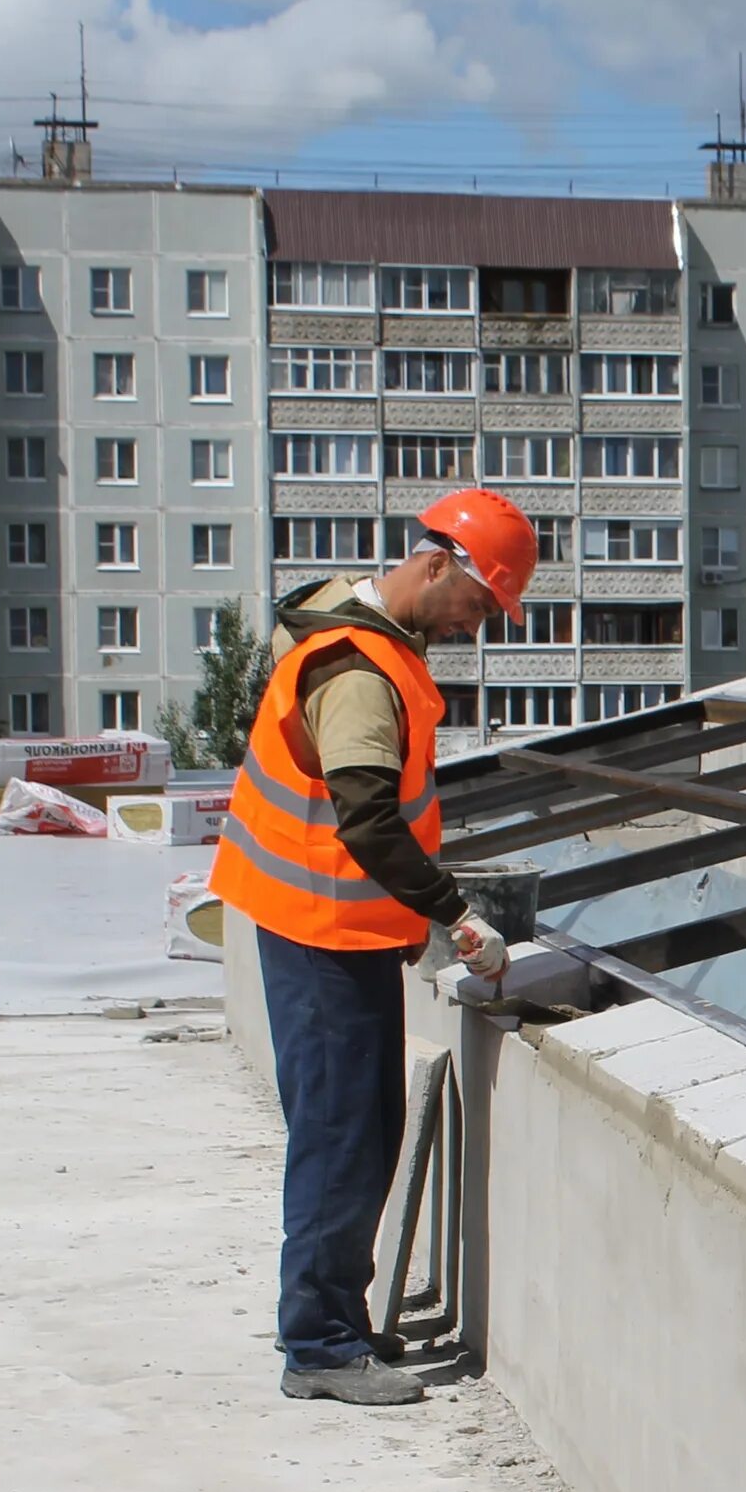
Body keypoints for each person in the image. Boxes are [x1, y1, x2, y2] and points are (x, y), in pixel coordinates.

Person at [210, 490, 531, 1407]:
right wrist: (456, 916)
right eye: (478, 604)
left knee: (359, 1130)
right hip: (321, 932)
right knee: (341, 1137)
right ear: (436, 566)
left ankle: (335, 1322)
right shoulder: (359, 670)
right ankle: (317, 1345)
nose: (477, 627)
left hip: (324, 926)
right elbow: (368, 822)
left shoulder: (360, 632)